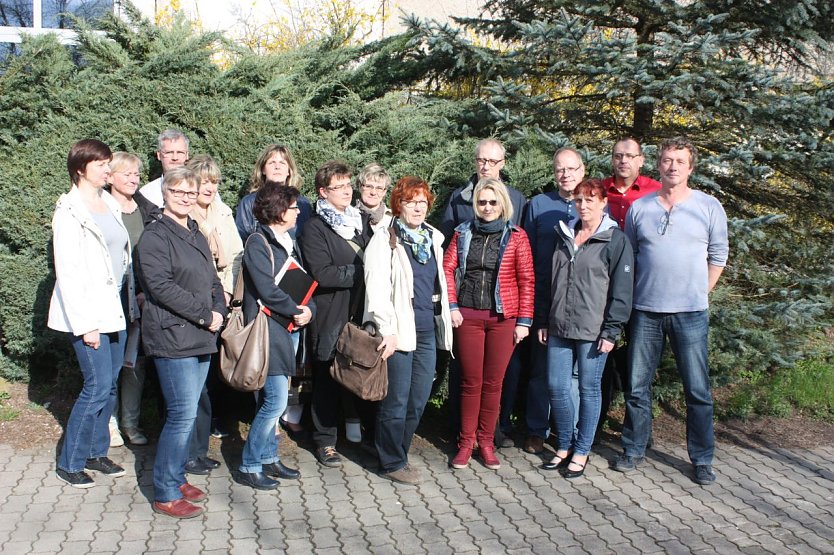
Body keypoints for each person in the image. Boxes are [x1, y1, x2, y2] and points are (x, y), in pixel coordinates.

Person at [615, 137, 729, 486]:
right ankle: (634, 448)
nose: (673, 166)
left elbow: (718, 256)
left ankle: (702, 459)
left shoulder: (708, 207)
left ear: (690, 167)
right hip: (646, 311)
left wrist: (699, 292)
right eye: (667, 160)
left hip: (690, 313)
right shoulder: (641, 208)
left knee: (697, 391)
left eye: (680, 161)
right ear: (658, 165)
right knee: (637, 387)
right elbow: (631, 257)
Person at [137, 166, 227, 518]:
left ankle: (175, 476)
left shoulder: (194, 230)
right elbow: (161, 288)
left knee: (188, 415)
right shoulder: (155, 236)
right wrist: (205, 315)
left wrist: (219, 308)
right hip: (172, 336)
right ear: (165, 193)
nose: (185, 198)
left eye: (191, 193)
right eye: (178, 192)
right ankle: (164, 491)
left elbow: (212, 278)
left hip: (200, 335)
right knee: (181, 414)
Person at [49, 139, 137, 488]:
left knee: (110, 385)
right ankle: (70, 462)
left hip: (116, 309)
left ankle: (95, 452)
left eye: (107, 162)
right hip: (89, 315)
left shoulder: (108, 203)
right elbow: (69, 274)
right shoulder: (69, 212)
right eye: (100, 164)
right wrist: (86, 325)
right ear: (79, 169)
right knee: (96, 386)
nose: (106, 169)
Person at [537, 179, 633, 478]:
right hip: (559, 325)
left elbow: (622, 291)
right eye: (579, 200)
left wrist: (611, 330)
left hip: (594, 331)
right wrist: (543, 319)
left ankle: (582, 450)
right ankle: (564, 445)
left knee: (589, 390)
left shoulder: (615, 240)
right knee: (556, 387)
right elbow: (549, 280)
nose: (583, 205)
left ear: (603, 203)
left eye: (590, 200)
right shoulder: (564, 234)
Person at [439, 138, 528, 449]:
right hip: (468, 308)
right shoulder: (459, 198)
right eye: (481, 160)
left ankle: (494, 432)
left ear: (503, 164)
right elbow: (448, 253)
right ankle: (462, 434)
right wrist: (452, 303)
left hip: (502, 311)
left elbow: (523, 268)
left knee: (499, 377)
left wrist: (524, 318)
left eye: (492, 161)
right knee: (466, 375)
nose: (486, 166)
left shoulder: (517, 199)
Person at [363, 177, 453, 485]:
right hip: (398, 330)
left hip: (426, 330)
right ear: (398, 205)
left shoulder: (433, 238)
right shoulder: (385, 239)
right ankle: (391, 461)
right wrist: (386, 330)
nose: (417, 208)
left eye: (422, 202)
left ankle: (397, 452)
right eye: (410, 202)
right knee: (397, 401)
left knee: (418, 399)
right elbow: (376, 288)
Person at [238, 183, 313, 489]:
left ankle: (269, 457)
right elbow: (267, 290)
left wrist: (309, 311)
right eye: (293, 208)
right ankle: (250, 464)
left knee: (274, 401)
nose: (298, 212)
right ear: (279, 210)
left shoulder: (288, 241)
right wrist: (296, 309)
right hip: (268, 330)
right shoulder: (258, 242)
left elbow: (303, 281)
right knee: (275, 401)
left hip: (288, 328)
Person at [298, 161, 373, 468]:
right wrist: (364, 273)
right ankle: (325, 441)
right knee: (327, 378)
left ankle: (365, 436)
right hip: (331, 313)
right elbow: (323, 273)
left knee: (362, 372)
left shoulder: (360, 221)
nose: (345, 191)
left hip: (360, 310)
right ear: (323, 192)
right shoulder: (315, 227)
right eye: (337, 186)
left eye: (347, 185)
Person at [181, 154, 243, 476]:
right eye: (204, 181)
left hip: (221, 301)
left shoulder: (223, 211)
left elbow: (235, 255)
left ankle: (199, 448)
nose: (209, 187)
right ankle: (187, 451)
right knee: (192, 383)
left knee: (209, 379)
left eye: (214, 182)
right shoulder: (183, 214)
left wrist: (228, 294)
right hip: (195, 304)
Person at [597, 138, 661, 440]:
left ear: (641, 160)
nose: (623, 161)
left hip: (641, 290)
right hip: (602, 289)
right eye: (618, 155)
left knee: (639, 366)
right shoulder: (599, 190)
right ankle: (594, 426)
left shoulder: (655, 192)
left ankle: (638, 432)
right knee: (599, 359)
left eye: (629, 156)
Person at [522, 147, 584, 455]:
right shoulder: (538, 205)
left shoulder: (593, 204)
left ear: (582, 171)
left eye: (571, 169)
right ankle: (536, 430)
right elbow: (526, 253)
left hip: (581, 303)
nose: (565, 174)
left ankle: (569, 432)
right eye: (560, 169)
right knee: (540, 370)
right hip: (544, 298)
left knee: (573, 376)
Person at [105, 151, 160, 447]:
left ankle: (130, 422)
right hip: (111, 296)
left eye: (136, 173)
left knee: (135, 363)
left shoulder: (146, 210)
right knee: (111, 363)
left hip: (140, 297)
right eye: (126, 173)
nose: (133, 178)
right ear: (110, 177)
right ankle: (109, 423)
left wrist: (145, 291)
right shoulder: (101, 209)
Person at [235, 144, 312, 242]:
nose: (277, 167)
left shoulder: (302, 204)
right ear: (263, 170)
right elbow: (242, 239)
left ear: (289, 171)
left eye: (282, 163)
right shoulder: (249, 203)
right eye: (272, 163)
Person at [139, 129, 190, 208]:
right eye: (169, 152)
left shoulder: (200, 190)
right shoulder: (147, 194)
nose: (175, 158)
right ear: (159, 155)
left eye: (180, 152)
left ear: (187, 155)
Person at [355, 163, 393, 231]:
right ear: (360, 187)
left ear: (384, 191)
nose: (373, 192)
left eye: (379, 188)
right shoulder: (349, 216)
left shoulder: (393, 219)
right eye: (369, 186)